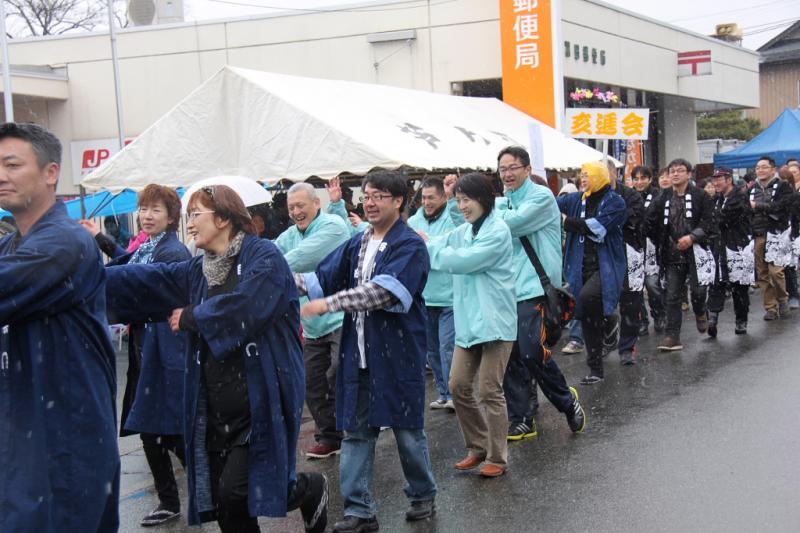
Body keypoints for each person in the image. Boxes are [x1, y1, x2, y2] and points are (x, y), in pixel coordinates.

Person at [105, 185, 328, 533]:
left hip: (261, 395)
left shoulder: (265, 257)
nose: (189, 224)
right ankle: (302, 488)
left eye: (196, 215)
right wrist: (83, 278)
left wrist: (193, 315)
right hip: (215, 402)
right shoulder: (199, 269)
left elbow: (247, 306)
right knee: (228, 504)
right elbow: (148, 281)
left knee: (236, 492)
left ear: (223, 218)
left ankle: (310, 487)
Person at [299, 171, 437, 532]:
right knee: (357, 433)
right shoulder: (358, 242)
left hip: (398, 355)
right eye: (368, 195)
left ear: (398, 201)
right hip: (357, 357)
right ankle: (359, 511)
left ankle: (423, 493)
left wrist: (329, 304)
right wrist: (276, 278)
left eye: (380, 196)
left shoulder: (409, 245)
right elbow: (318, 278)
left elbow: (382, 293)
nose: (371, 202)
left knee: (407, 432)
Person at [0, 122, 120, 532]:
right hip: (25, 439)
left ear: (51, 173)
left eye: (12, 164)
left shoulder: (66, 243)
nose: (1, 175)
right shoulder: (13, 244)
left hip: (65, 444)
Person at [81, 184, 191, 527]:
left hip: (166, 352)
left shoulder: (172, 252)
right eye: (143, 209)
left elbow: (132, 279)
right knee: (153, 429)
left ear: (172, 217)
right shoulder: (147, 247)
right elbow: (126, 267)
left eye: (155, 210)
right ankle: (183, 497)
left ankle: (201, 494)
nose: (146, 216)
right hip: (148, 350)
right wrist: (100, 239)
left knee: (169, 431)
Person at [424, 173, 516, 477]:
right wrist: (422, 241)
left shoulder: (498, 231)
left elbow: (463, 261)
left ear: (484, 199)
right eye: (459, 200)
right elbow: (437, 242)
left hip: (495, 321)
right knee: (458, 386)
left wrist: (431, 248)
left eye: (467, 199)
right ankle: (478, 446)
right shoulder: (463, 231)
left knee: (490, 389)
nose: (463, 206)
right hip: (468, 323)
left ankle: (497, 458)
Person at [491, 146, 586, 439]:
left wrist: (491, 213)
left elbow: (507, 227)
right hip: (506, 288)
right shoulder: (502, 202)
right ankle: (521, 417)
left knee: (532, 350)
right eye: (502, 169)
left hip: (535, 287)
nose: (507, 174)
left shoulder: (542, 198)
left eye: (512, 168)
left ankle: (567, 401)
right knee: (509, 355)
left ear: (528, 170)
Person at [274, 182, 351, 459]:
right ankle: (329, 437)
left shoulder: (334, 226)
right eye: (291, 207)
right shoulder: (288, 235)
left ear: (316, 204)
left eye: (301, 205)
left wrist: (267, 267)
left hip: (343, 316)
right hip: (312, 322)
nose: (296, 211)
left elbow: (302, 258)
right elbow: (272, 251)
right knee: (310, 381)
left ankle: (355, 431)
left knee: (339, 373)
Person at [558, 162, 627, 383]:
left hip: (606, 265)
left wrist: (567, 221)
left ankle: (611, 321)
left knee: (589, 298)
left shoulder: (616, 202)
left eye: (588, 175)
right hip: (580, 266)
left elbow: (596, 228)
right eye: (582, 175)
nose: (584, 178)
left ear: (600, 176)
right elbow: (549, 204)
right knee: (587, 314)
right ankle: (595, 369)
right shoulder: (577, 199)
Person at [647, 158, 714, 351]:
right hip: (671, 253)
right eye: (672, 171)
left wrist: (693, 237)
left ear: (689, 174)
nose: (675, 174)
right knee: (672, 296)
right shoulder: (663, 197)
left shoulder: (701, 195)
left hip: (696, 251)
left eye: (680, 170)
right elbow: (652, 222)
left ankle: (701, 312)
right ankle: (672, 336)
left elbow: (709, 222)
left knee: (699, 291)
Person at [408, 177, 459, 411]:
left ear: (443, 197)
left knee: (447, 347)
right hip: (425, 298)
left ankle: (455, 394)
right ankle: (444, 393)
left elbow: (454, 250)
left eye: (431, 198)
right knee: (431, 351)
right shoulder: (413, 221)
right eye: (423, 198)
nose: (426, 202)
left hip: (450, 296)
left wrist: (429, 246)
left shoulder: (453, 217)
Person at [607, 162, 645, 365]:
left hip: (628, 251)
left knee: (630, 301)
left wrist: (610, 217)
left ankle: (627, 347)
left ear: (615, 173)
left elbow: (634, 219)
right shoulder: (588, 197)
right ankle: (605, 340)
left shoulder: (630, 195)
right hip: (602, 256)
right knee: (597, 301)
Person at [707, 168, 752, 336]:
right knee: (716, 282)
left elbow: (721, 219)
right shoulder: (717, 199)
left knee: (739, 287)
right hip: (719, 246)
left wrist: (710, 219)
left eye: (719, 179)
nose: (716, 183)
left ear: (729, 180)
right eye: (714, 179)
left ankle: (741, 320)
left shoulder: (739, 198)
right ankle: (712, 318)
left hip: (738, 246)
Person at [750, 156, 793, 320]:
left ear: (773, 169)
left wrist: (758, 206)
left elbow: (781, 207)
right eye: (758, 167)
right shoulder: (752, 189)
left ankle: (782, 299)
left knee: (776, 272)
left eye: (764, 167)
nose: (760, 170)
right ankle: (770, 307)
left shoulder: (783, 187)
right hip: (758, 233)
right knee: (762, 273)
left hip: (776, 233)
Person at [631, 165, 666, 336]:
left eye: (643, 178)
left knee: (652, 284)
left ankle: (659, 315)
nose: (639, 182)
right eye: (636, 179)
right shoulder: (628, 195)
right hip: (632, 246)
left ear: (650, 179)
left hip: (652, 246)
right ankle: (642, 320)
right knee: (635, 288)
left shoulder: (658, 196)